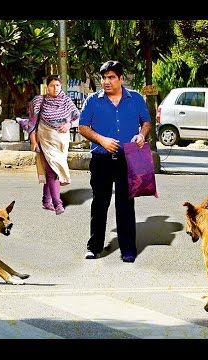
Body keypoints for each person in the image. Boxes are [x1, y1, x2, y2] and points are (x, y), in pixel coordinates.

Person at [78, 60, 152, 263]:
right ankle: (94, 247)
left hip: (127, 159)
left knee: (126, 205)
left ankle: (128, 249)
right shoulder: (93, 101)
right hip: (101, 159)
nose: (106, 82)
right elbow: (82, 127)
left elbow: (146, 122)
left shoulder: (135, 99)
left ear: (121, 78)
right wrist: (102, 139)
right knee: (99, 204)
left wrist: (141, 135)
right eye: (104, 78)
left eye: (111, 77)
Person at [26, 74, 80, 215]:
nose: (55, 88)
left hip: (61, 143)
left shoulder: (67, 101)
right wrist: (33, 141)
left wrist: (69, 124)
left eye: (57, 85)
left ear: (61, 86)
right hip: (45, 140)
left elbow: (78, 118)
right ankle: (58, 204)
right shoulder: (39, 101)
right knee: (52, 171)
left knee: (51, 170)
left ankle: (46, 201)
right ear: (47, 87)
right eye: (52, 85)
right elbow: (31, 123)